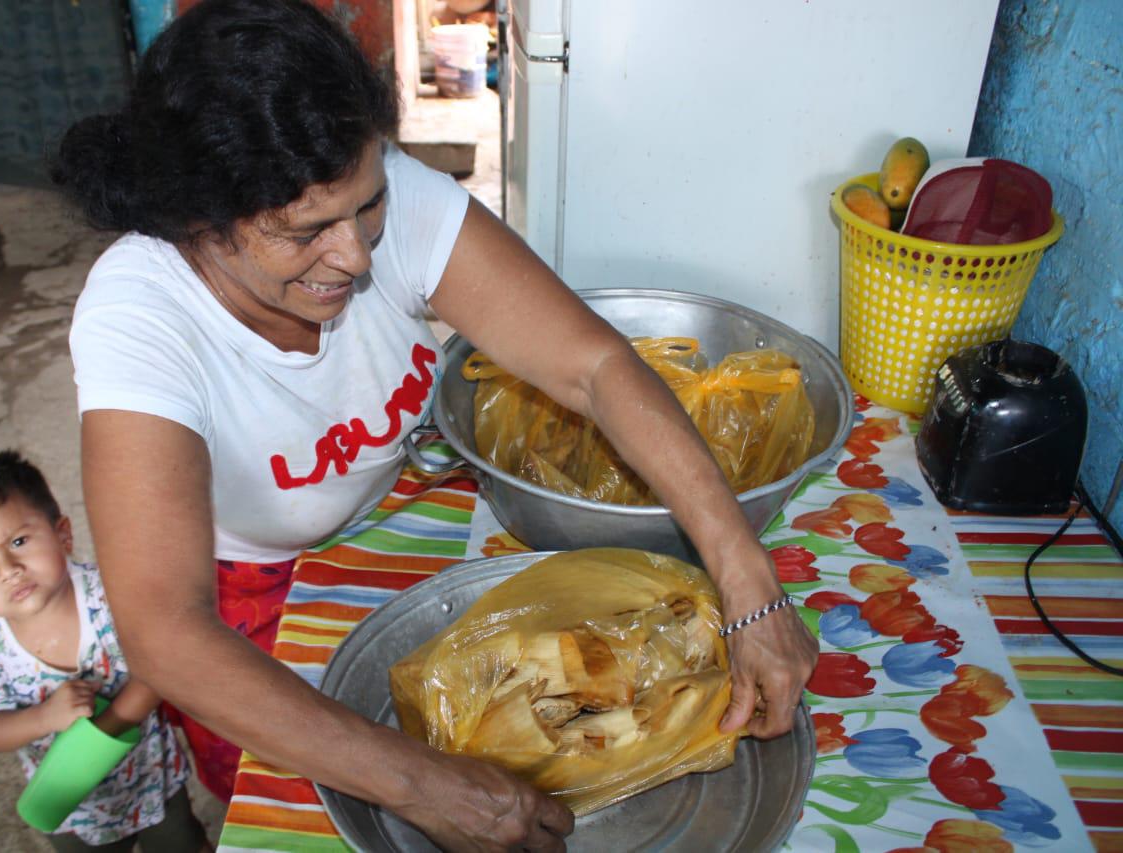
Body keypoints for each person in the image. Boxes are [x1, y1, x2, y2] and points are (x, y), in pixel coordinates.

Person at [51, 0, 818, 848]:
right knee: (292, 810)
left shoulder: (369, 192)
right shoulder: (139, 314)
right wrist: (422, 784)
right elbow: (164, 630)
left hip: (401, 509)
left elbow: (595, 369)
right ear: (201, 220)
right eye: (306, 233)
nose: (355, 255)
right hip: (250, 600)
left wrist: (748, 581)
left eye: (367, 208)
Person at [0, 451, 210, 853]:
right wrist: (44, 717)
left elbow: (161, 660)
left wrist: (109, 723)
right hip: (72, 802)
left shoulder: (111, 594)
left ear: (63, 534)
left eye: (19, 541)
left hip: (153, 776)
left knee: (182, 844)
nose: (8, 569)